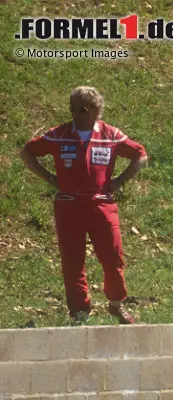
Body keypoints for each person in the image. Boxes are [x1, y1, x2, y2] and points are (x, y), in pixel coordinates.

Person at [20, 86, 148, 325]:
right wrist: (50, 178)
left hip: (101, 202)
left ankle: (116, 303)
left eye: (82, 109)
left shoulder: (110, 135)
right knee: (72, 259)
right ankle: (80, 311)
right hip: (68, 204)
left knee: (113, 256)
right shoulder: (59, 134)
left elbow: (140, 154)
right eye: (73, 108)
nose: (76, 114)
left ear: (96, 110)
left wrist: (119, 181)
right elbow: (28, 152)